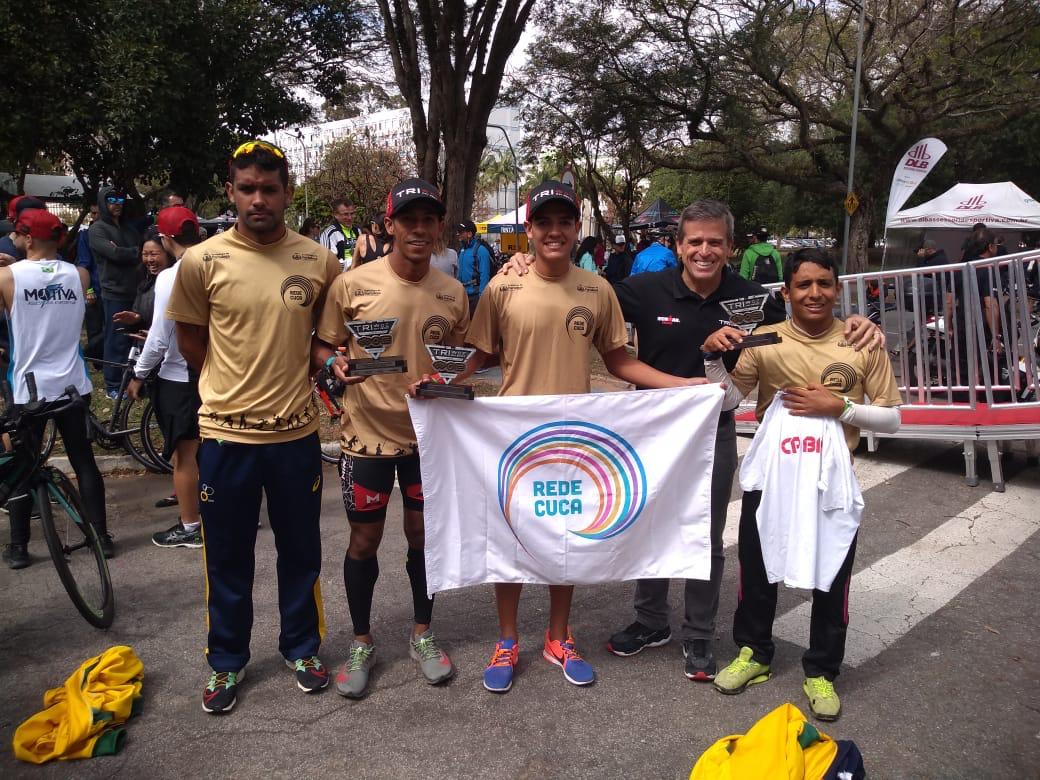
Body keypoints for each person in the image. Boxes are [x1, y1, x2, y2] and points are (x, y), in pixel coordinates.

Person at [511, 200, 877, 682]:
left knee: (705, 534)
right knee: (645, 523)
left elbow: (805, 323)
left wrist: (859, 322)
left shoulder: (755, 299)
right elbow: (573, 292)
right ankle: (650, 620)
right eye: (695, 242)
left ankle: (699, 633)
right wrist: (524, 263)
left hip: (713, 428)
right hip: (646, 429)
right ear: (678, 246)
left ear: (730, 247)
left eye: (715, 242)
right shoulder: (640, 290)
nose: (705, 251)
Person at [455, 181, 709, 694]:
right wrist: (439, 385)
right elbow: (478, 357)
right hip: (512, 437)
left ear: (576, 230)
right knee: (510, 539)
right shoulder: (503, 288)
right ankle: (507, 640)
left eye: (563, 223)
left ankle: (557, 636)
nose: (553, 231)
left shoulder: (596, 290)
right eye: (543, 223)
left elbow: (621, 360)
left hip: (571, 439)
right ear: (528, 230)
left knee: (563, 535)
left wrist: (682, 386)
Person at [166, 140, 340, 714]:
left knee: (301, 551)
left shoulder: (318, 259)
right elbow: (191, 340)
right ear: (231, 191)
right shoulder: (201, 260)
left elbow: (325, 337)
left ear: (287, 193)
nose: (258, 199)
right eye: (247, 188)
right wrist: (227, 382)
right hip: (224, 435)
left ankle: (302, 649)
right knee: (227, 558)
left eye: (269, 189)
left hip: (294, 436)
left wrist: (319, 365)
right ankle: (226, 663)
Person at [702, 247, 902, 721]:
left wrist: (842, 408)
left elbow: (891, 417)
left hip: (830, 482)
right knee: (757, 564)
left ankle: (822, 670)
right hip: (772, 478)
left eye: (824, 284)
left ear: (837, 288)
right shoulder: (766, 341)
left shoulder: (862, 342)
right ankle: (755, 653)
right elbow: (729, 400)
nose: (815, 293)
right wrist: (711, 359)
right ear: (786, 291)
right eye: (804, 285)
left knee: (831, 575)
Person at [312, 178, 468, 699]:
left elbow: (462, 361)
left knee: (424, 539)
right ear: (390, 225)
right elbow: (322, 348)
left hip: (428, 441)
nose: (418, 229)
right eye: (408, 219)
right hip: (366, 439)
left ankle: (423, 633)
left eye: (428, 219)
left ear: (438, 227)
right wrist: (333, 363)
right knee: (365, 540)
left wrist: (448, 381)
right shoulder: (353, 284)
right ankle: (362, 641)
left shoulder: (452, 292)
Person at [0, 209, 112, 569]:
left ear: (28, 238)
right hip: (72, 385)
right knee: (84, 461)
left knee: (23, 466)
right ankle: (101, 536)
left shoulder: (7, 277)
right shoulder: (78, 275)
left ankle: (18, 547)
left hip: (29, 389)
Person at [128, 206, 204, 549]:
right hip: (217, 373)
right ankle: (223, 512)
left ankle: (190, 528)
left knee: (184, 457)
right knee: (213, 451)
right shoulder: (218, 265)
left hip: (180, 377)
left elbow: (160, 335)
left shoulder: (170, 278)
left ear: (164, 238)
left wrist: (139, 374)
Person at [89, 186, 142, 396]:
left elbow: (138, 251)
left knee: (135, 337)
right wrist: (128, 253)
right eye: (111, 199)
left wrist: (126, 252)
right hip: (113, 291)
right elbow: (115, 254)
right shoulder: (97, 229)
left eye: (120, 199)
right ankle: (113, 384)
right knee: (116, 338)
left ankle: (132, 380)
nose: (117, 203)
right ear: (103, 202)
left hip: (136, 289)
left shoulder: (129, 228)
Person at [111, 227, 174, 335]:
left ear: (168, 254)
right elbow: (144, 317)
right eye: (145, 254)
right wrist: (136, 319)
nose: (149, 259)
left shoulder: (176, 282)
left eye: (154, 254)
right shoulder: (144, 283)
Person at [76, 203, 104, 366]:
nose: (95, 216)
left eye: (98, 213)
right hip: (94, 288)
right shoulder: (86, 235)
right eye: (92, 213)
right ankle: (95, 360)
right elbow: (84, 263)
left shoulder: (116, 232)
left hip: (113, 288)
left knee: (112, 328)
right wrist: (89, 290)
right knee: (94, 328)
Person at [456, 219, 493, 315]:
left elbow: (485, 275)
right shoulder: (462, 250)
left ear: (469, 234)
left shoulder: (481, 250)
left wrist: (482, 298)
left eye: (460, 232)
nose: (458, 234)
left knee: (476, 328)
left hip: (475, 296)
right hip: (462, 295)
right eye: (457, 232)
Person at [319, 196, 359, 271]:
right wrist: (354, 262)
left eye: (352, 213)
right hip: (340, 279)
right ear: (336, 215)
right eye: (345, 214)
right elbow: (328, 264)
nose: (350, 217)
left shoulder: (358, 231)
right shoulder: (329, 234)